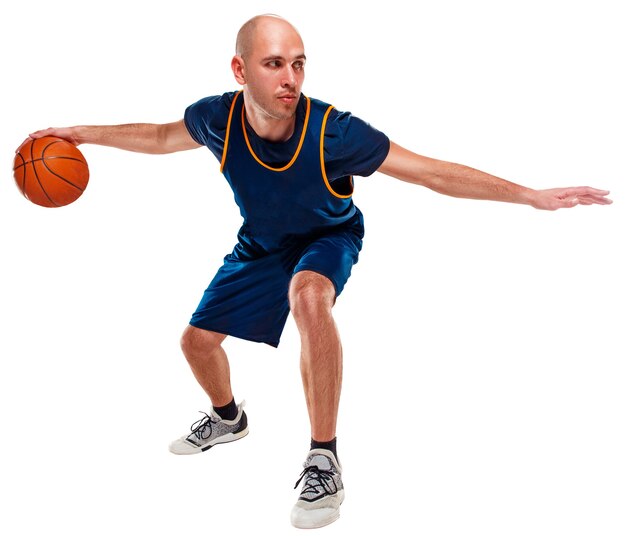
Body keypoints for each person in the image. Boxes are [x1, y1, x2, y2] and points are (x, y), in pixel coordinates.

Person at [24, 13, 612, 530]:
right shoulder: (213, 119)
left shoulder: (334, 131)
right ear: (240, 69)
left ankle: (323, 457)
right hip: (260, 245)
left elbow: (430, 171)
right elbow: (158, 136)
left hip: (329, 237)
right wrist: (81, 134)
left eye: (299, 64)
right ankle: (229, 420)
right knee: (196, 344)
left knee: (308, 296)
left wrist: (529, 195)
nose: (291, 78)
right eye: (275, 63)